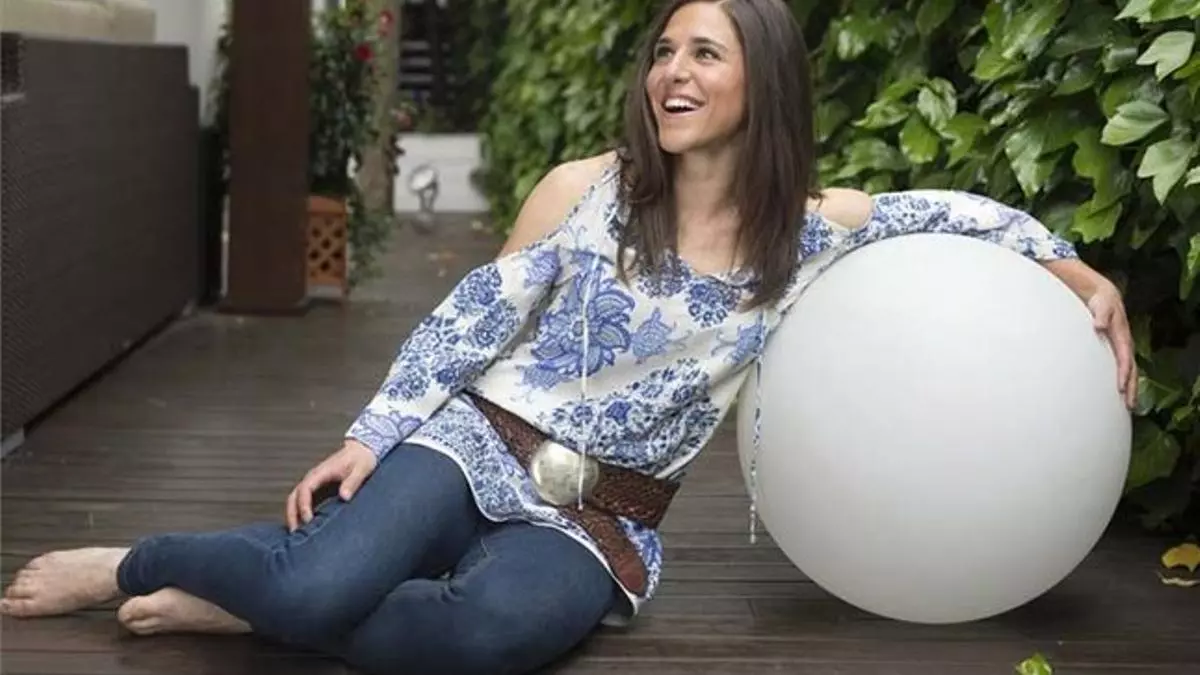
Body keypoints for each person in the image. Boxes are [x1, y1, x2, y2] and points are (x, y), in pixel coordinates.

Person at [1, 0, 1136, 673]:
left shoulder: (808, 230)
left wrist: (1084, 277)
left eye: (706, 53)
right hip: (471, 443)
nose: (673, 73)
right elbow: (471, 317)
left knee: (488, 638)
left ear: (766, 82)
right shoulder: (583, 187)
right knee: (315, 586)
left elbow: (964, 215)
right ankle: (141, 565)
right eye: (664, 52)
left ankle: (259, 602)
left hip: (601, 517)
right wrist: (374, 433)